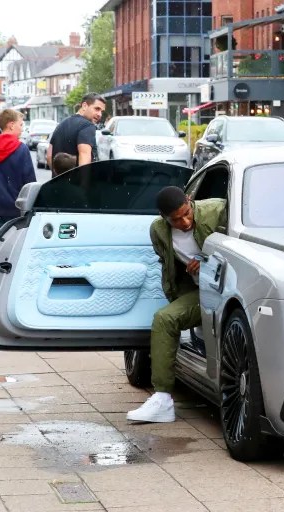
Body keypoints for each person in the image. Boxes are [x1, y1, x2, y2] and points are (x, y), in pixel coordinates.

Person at [126, 187, 226, 423]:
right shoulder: (159, 231)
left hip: (230, 288)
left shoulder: (218, 210)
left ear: (190, 201)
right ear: (164, 218)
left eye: (186, 213)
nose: (184, 222)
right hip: (199, 292)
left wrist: (207, 264)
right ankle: (162, 400)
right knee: (165, 319)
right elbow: (169, 264)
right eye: (176, 219)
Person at [0, 109, 36, 243]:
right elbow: (29, 182)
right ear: (11, 125)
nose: (22, 129)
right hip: (16, 210)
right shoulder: (21, 149)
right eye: (20, 125)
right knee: (14, 251)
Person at [46, 92, 105, 167]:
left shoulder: (61, 125)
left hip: (60, 178)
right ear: (84, 106)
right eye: (97, 109)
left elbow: (49, 156)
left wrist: (58, 175)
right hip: (77, 178)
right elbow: (84, 158)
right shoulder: (87, 126)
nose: (100, 114)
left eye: (101, 111)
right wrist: (84, 178)